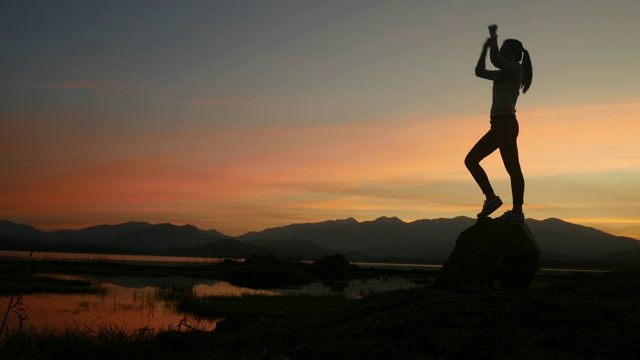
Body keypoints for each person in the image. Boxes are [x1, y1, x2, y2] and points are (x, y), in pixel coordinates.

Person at [465, 24, 533, 223]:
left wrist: (493, 36)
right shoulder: (501, 74)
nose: (500, 52)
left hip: (506, 124)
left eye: (504, 49)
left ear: (513, 53)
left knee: (511, 169)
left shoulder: (515, 69)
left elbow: (496, 59)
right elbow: (478, 71)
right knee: (474, 161)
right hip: (499, 125)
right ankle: (493, 200)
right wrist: (485, 49)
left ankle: (514, 210)